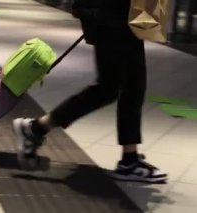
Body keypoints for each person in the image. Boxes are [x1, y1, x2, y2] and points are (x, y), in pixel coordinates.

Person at [12, 0, 168, 184]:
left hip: (111, 14)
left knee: (118, 87)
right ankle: (129, 161)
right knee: (122, 86)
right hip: (113, 15)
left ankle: (36, 128)